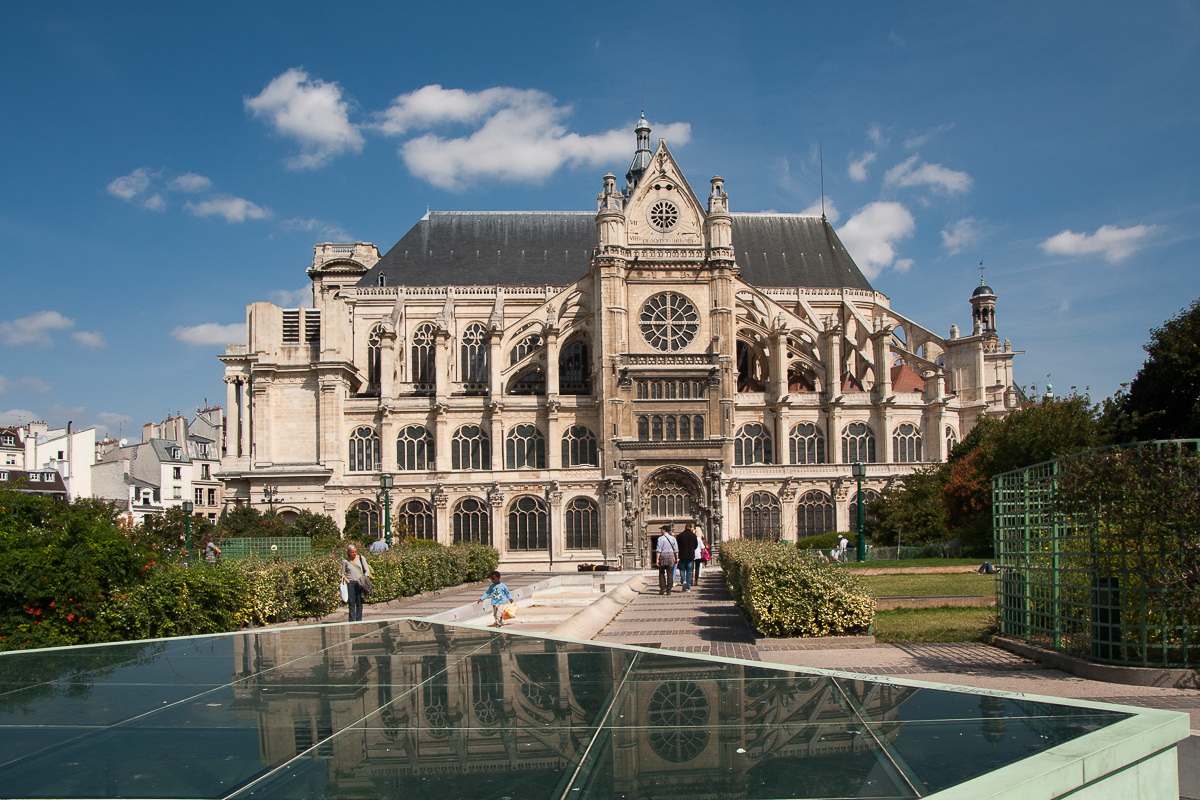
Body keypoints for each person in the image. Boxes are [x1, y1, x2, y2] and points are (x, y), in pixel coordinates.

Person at [342, 545, 370, 622]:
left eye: (355, 552)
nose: (354, 554)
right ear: (348, 552)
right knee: (351, 602)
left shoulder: (361, 558)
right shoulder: (345, 561)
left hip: (359, 582)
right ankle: (351, 620)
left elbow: (366, 570)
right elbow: (342, 573)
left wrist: (365, 578)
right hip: (350, 582)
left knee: (359, 601)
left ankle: (358, 619)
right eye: (352, 552)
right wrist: (346, 579)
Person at [655, 525, 678, 595]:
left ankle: (663, 588)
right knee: (670, 573)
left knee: (661, 573)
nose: (660, 531)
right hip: (671, 556)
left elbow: (658, 550)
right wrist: (677, 558)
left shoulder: (660, 539)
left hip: (663, 556)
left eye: (661, 529)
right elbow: (676, 550)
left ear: (664, 530)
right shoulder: (673, 538)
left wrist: (657, 559)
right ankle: (669, 590)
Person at [676, 524, 699, 592]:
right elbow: (696, 546)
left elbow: (677, 545)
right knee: (689, 572)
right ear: (691, 528)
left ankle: (683, 581)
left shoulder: (680, 535)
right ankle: (688, 587)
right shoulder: (693, 536)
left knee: (682, 570)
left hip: (682, 555)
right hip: (690, 556)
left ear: (685, 528)